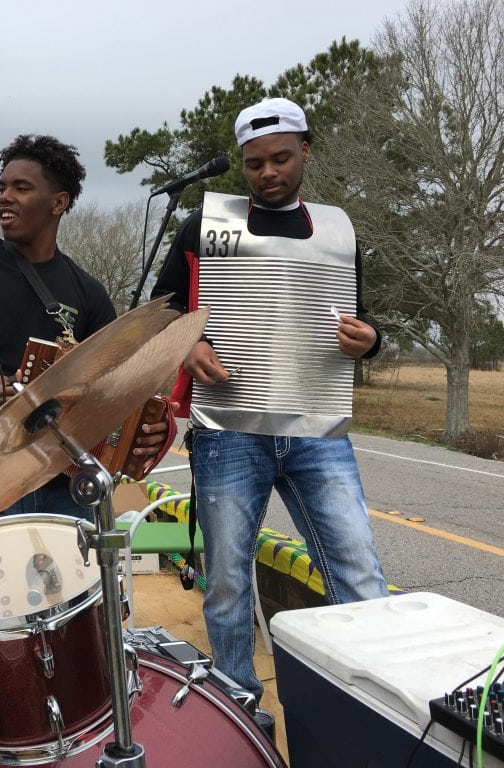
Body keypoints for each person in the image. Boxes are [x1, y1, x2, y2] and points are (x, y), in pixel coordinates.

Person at [150, 97, 388, 699]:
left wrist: (372, 341)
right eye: (255, 164)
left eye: (281, 158)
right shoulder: (203, 226)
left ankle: (376, 702)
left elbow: (351, 323)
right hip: (228, 428)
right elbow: (163, 313)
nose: (269, 173)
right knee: (227, 581)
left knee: (359, 571)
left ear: (306, 151)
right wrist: (185, 345)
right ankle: (239, 706)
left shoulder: (338, 230)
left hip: (318, 428)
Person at [0, 134, 172, 519]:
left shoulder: (86, 291)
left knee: (66, 581)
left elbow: (119, 381)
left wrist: (149, 431)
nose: (5, 196)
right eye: (3, 186)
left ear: (59, 202)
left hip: (60, 483)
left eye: (21, 188)